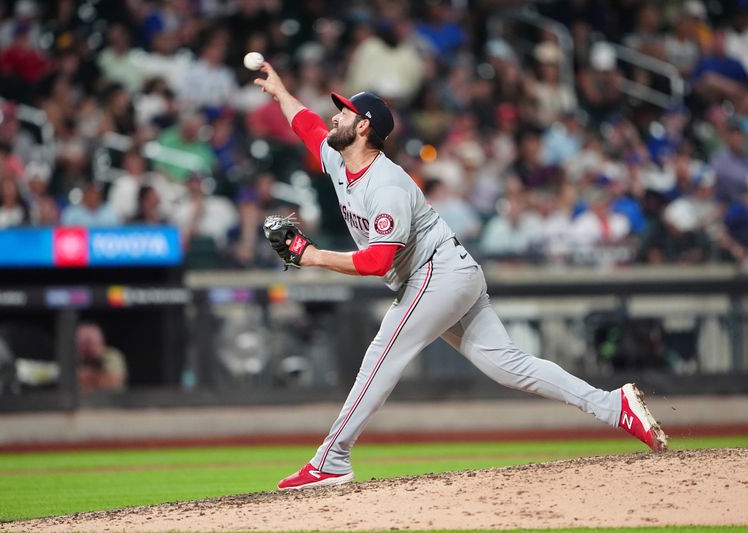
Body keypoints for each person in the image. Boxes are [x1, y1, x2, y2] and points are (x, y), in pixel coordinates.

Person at [253, 61, 668, 492]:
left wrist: (314, 256)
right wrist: (281, 91)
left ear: (364, 128)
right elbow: (307, 127)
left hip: (436, 273)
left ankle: (332, 460)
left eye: (344, 112)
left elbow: (376, 263)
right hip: (447, 271)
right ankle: (613, 405)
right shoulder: (340, 162)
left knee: (382, 356)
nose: (334, 116)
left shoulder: (388, 185)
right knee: (510, 366)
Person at [75, 322, 127, 393]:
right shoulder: (72, 357)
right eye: (82, 343)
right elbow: (68, 383)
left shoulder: (112, 355)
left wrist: (86, 376)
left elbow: (113, 383)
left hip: (109, 401)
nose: (87, 347)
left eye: (90, 342)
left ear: (101, 342)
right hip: (81, 402)